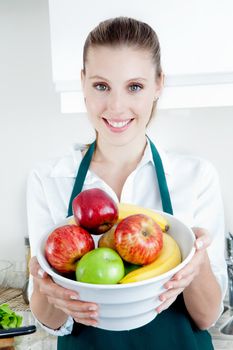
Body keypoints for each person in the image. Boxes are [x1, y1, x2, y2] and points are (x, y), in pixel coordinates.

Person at [27, 16, 227, 350]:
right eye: (101, 85)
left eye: (134, 86)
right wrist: (44, 284)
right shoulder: (49, 180)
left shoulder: (196, 177)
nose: (117, 107)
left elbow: (207, 318)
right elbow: (50, 322)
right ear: (82, 83)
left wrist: (198, 260)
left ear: (158, 84)